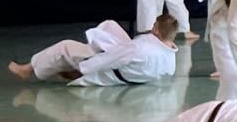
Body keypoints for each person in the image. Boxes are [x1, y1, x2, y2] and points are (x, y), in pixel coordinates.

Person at [10, 14, 180, 86]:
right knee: (110, 25)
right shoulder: (170, 60)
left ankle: (28, 69)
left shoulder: (140, 47)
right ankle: (86, 53)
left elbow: (112, 59)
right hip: (133, 67)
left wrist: (84, 69)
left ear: (158, 31)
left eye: (154, 26)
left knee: (65, 47)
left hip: (114, 69)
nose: (151, 28)